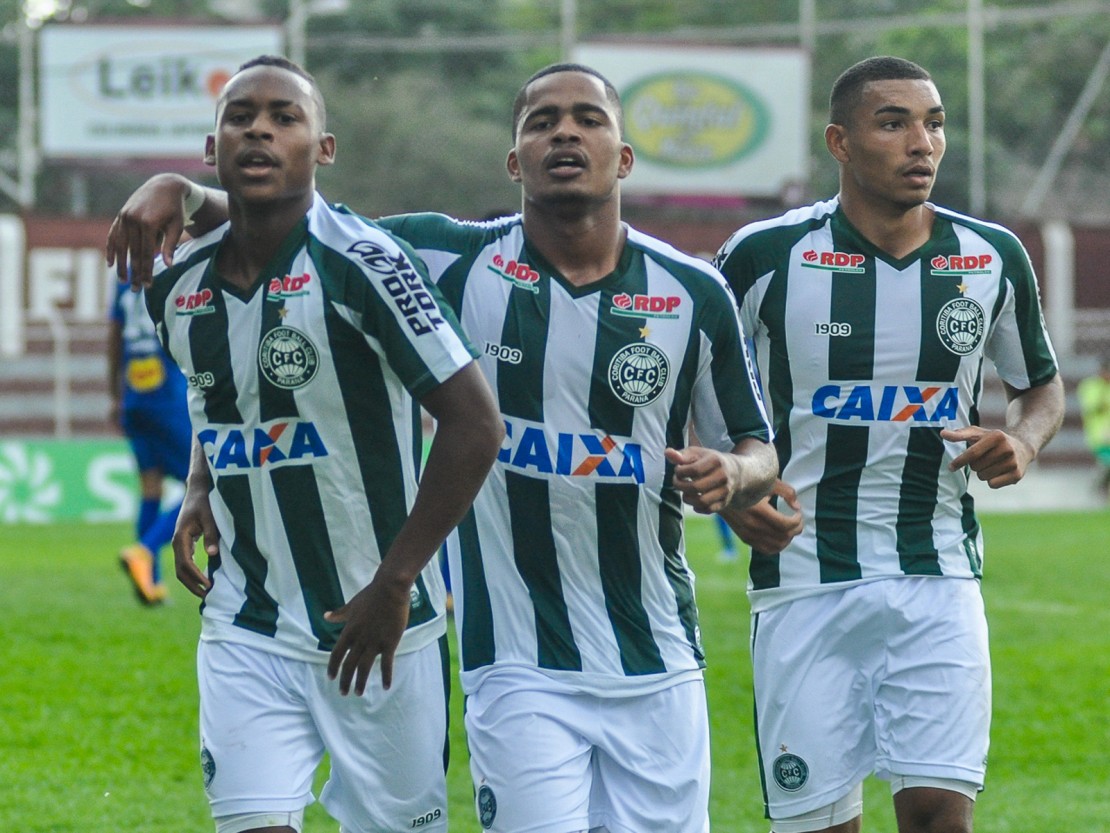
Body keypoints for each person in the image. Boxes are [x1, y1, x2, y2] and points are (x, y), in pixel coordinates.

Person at [107, 62, 778, 833]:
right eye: (542, 122)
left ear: (623, 156)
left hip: (657, 652)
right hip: (515, 659)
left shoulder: (693, 291)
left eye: (588, 119)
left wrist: (737, 472)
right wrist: (184, 192)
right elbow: (293, 223)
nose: (564, 132)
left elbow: (758, 449)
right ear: (514, 160)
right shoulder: (443, 258)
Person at [108, 55, 503, 833]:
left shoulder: (368, 263)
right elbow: (216, 390)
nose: (259, 129)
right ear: (212, 147)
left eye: (284, 117)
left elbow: (475, 424)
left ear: (323, 149)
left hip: (382, 623)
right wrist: (200, 483)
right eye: (240, 116)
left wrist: (395, 581)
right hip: (247, 619)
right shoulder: (176, 285)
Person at [713, 56, 1065, 833]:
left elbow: (1040, 386)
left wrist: (1024, 440)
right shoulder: (764, 255)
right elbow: (694, 384)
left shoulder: (991, 256)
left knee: (942, 816)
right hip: (803, 578)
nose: (922, 142)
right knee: (820, 825)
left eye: (933, 123)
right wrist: (733, 487)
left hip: (938, 574)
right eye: (894, 122)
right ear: (839, 142)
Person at [108, 278, 193, 604]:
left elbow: (114, 336)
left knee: (150, 487)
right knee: (205, 483)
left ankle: (150, 583)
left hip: (134, 397)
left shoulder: (125, 278)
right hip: (167, 398)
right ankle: (144, 550)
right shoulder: (172, 269)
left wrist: (115, 395)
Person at [1077, 360, 1110, 497]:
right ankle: (1097, 488)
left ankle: (1101, 490)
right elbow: (1092, 407)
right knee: (1107, 463)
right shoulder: (1091, 385)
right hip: (1099, 435)